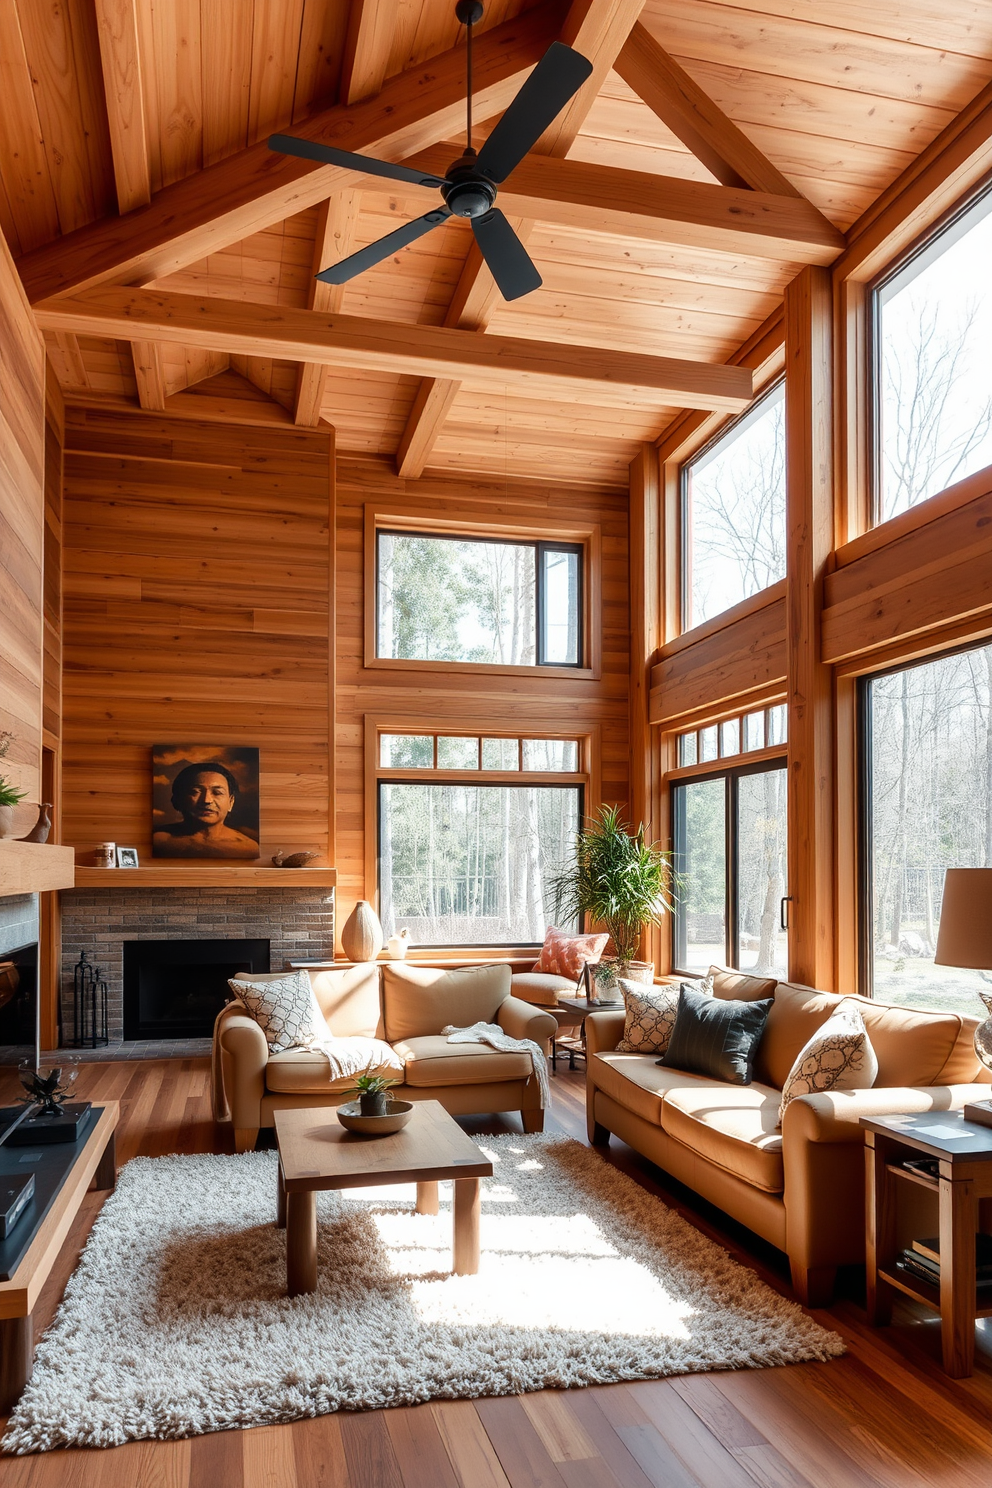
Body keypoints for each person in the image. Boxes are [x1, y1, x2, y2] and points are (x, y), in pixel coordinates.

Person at [153, 762, 259, 860]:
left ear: (231, 802)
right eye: (195, 792)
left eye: (217, 792)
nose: (206, 800)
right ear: (178, 799)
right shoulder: (159, 841)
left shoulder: (247, 848)